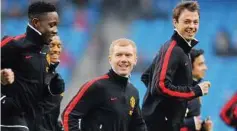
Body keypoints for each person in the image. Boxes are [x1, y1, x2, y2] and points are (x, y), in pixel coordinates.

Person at [141, 1, 211, 131]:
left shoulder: (181, 49)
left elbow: (146, 76)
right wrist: (194, 91)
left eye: (195, 22)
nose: (192, 26)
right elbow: (161, 86)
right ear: (175, 22)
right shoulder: (174, 49)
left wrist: (168, 104)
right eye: (187, 21)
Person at [62, 38, 147, 131]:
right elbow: (68, 115)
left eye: (128, 55)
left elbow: (138, 125)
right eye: (118, 55)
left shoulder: (133, 92)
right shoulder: (97, 86)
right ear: (110, 59)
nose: (123, 59)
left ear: (135, 60)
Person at [1, 1, 60, 131]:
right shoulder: (13, 44)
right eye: (51, 25)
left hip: (34, 121)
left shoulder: (46, 53)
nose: (55, 30)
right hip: (11, 119)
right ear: (36, 23)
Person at [180, 49, 213, 131]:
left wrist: (203, 128)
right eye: (200, 64)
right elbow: (164, 121)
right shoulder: (178, 91)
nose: (205, 68)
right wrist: (191, 123)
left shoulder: (196, 88)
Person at [38, 36, 65, 131]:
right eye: (52, 45)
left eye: (59, 46)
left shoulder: (57, 77)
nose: (56, 50)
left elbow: (51, 112)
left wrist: (57, 126)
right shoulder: (34, 74)